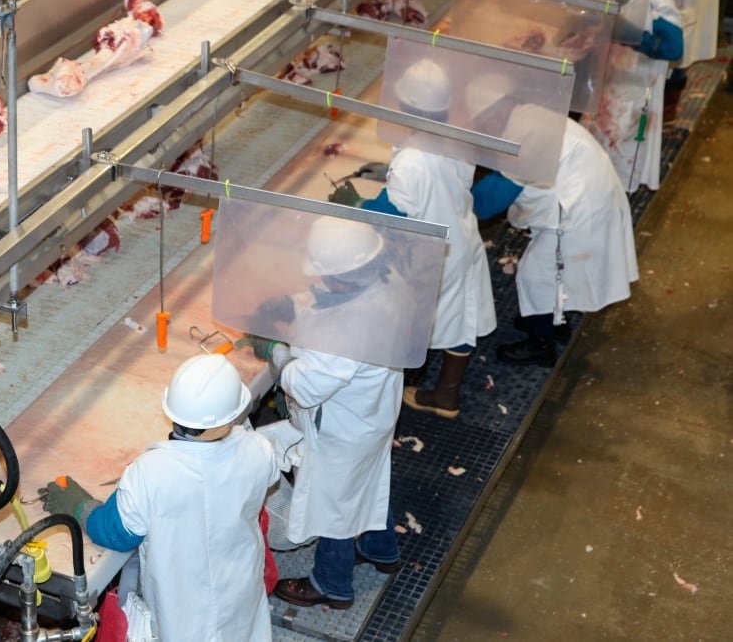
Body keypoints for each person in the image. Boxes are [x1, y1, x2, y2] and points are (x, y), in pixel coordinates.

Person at [42, 353, 280, 642]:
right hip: (241, 592)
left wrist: (79, 506)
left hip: (183, 615)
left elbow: (115, 533)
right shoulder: (258, 448)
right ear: (231, 416)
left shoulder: (151, 472)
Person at [247, 218, 403, 610]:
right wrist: (296, 304)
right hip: (374, 415)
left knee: (336, 505)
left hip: (343, 430)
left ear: (342, 275)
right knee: (367, 482)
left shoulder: (349, 331)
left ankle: (331, 584)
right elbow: (334, 302)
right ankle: (379, 547)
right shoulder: (388, 284)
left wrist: (274, 352)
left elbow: (304, 384)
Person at [356, 59, 496, 419]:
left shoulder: (411, 162)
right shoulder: (457, 137)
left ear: (404, 107)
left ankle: (386, 401)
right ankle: (446, 396)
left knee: (409, 324)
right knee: (461, 317)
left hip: (430, 255)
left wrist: (359, 205)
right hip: (462, 239)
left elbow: (390, 213)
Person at [471, 114, 638, 366]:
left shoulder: (522, 146)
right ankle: (554, 320)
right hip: (592, 193)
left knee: (536, 275)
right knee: (559, 272)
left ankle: (541, 345)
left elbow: (485, 202)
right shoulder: (532, 119)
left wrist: (454, 199)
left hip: (580, 210)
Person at [580, 0, 683, 192]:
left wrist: (632, 35)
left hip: (638, 91)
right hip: (610, 84)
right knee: (598, 142)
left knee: (627, 150)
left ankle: (622, 199)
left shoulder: (656, 1)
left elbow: (674, 49)